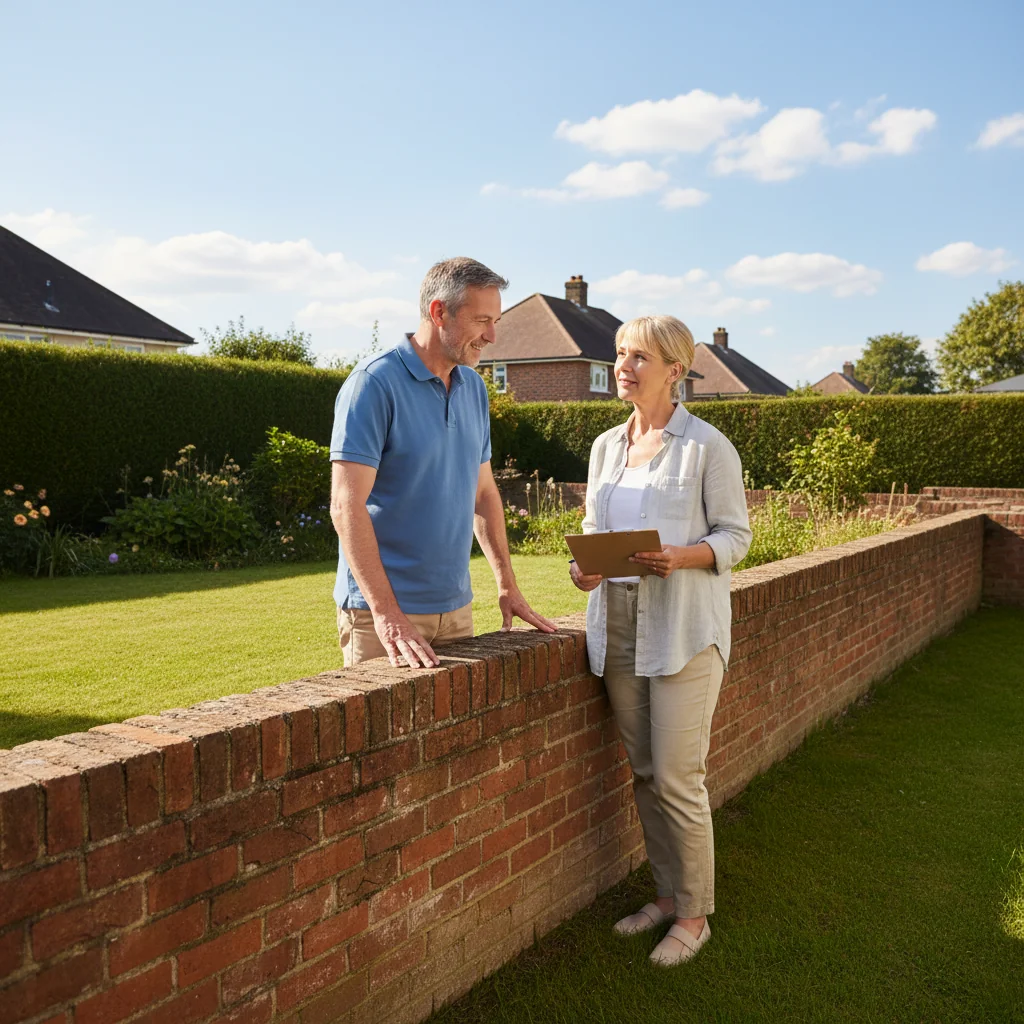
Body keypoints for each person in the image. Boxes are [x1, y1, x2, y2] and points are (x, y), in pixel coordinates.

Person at [570, 315, 751, 966]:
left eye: (638, 355)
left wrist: (685, 555)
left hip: (683, 631)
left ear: (675, 370)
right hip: (616, 624)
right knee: (644, 774)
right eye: (619, 353)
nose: (623, 365)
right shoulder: (603, 447)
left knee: (678, 777)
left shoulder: (707, 448)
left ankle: (695, 915)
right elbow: (591, 532)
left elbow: (736, 536)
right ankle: (668, 897)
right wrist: (581, 568)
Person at [330, 256, 555, 669]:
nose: (491, 336)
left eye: (496, 322)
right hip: (382, 615)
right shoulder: (373, 383)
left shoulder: (473, 388)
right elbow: (346, 506)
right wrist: (387, 615)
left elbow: (483, 493)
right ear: (438, 312)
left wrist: (507, 584)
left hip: (455, 609)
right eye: (482, 320)